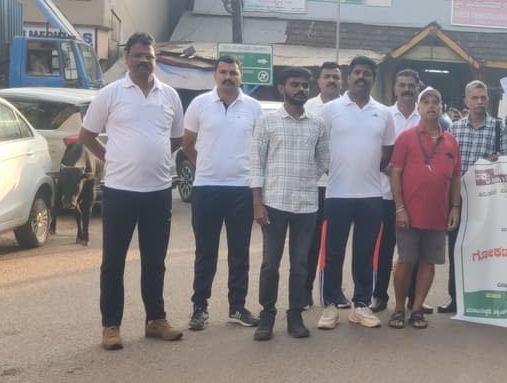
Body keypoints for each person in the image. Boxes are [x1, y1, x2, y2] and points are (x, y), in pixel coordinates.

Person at [78, 32, 185, 350]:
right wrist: (112, 157)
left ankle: (156, 320)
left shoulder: (170, 96)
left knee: (155, 261)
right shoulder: (110, 94)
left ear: (156, 59)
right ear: (127, 58)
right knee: (113, 262)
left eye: (148, 56)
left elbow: (177, 138)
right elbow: (86, 135)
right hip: (120, 191)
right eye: (137, 55)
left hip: (158, 192)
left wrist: (156, 155)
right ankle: (111, 326)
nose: (143, 61)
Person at [182, 55, 263, 331]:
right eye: (224, 72)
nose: (228, 77)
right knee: (206, 252)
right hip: (206, 188)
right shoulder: (199, 104)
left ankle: (237, 307)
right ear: (216, 75)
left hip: (241, 189)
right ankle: (199, 308)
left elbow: (259, 149)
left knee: (240, 252)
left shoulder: (254, 107)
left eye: (233, 73)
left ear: (241, 76)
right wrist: (207, 166)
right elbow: (188, 144)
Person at [316, 56, 396, 330]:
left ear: (373, 79)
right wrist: (337, 169)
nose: (361, 77)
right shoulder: (330, 110)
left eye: (367, 73)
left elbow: (388, 152)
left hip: (371, 196)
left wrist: (368, 169)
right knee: (333, 252)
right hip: (337, 194)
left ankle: (361, 305)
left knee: (365, 253)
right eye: (357, 72)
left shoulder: (383, 113)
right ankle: (329, 306)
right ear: (349, 76)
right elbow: (319, 147)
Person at [249, 68, 329, 341]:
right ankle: (267, 316)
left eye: (304, 85)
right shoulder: (267, 122)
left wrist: (304, 179)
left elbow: (323, 160)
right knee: (270, 264)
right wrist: (257, 203)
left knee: (300, 264)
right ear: (282, 88)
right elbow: (256, 164)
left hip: (306, 205)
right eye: (295, 84)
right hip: (274, 203)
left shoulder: (317, 124)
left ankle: (295, 315)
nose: (301, 89)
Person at [388, 87, 462, 330]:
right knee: (406, 261)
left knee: (428, 262)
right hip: (409, 213)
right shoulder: (406, 138)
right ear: (419, 108)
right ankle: (399, 308)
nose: (431, 105)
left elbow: (456, 177)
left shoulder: (451, 141)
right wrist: (399, 208)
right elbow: (395, 173)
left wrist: (455, 207)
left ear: (441, 107)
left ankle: (417, 308)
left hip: (438, 214)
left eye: (436, 102)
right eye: (426, 102)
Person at [445, 80, 507, 313]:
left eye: (483, 97)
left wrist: (497, 161)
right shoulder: (454, 129)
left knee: (484, 249)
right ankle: (455, 298)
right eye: (475, 98)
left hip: (486, 200)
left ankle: (483, 298)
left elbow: (506, 163)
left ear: (488, 100)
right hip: (459, 198)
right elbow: (448, 164)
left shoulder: (499, 128)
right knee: (457, 247)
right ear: (466, 101)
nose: (480, 102)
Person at [371, 69, 425, 313]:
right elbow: (377, 154)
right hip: (385, 194)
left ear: (417, 88)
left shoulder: (424, 118)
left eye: (411, 86)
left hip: (415, 197)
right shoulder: (383, 115)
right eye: (402, 85)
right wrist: (395, 174)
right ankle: (379, 296)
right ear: (394, 88)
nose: (406, 90)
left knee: (412, 251)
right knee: (383, 249)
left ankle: (414, 299)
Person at [302, 61, 344, 309]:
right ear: (319, 81)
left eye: (336, 77)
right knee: (310, 243)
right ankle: (304, 291)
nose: (331, 81)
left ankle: (334, 292)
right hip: (315, 186)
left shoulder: (348, 107)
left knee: (335, 244)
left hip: (341, 187)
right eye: (327, 76)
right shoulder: (308, 107)